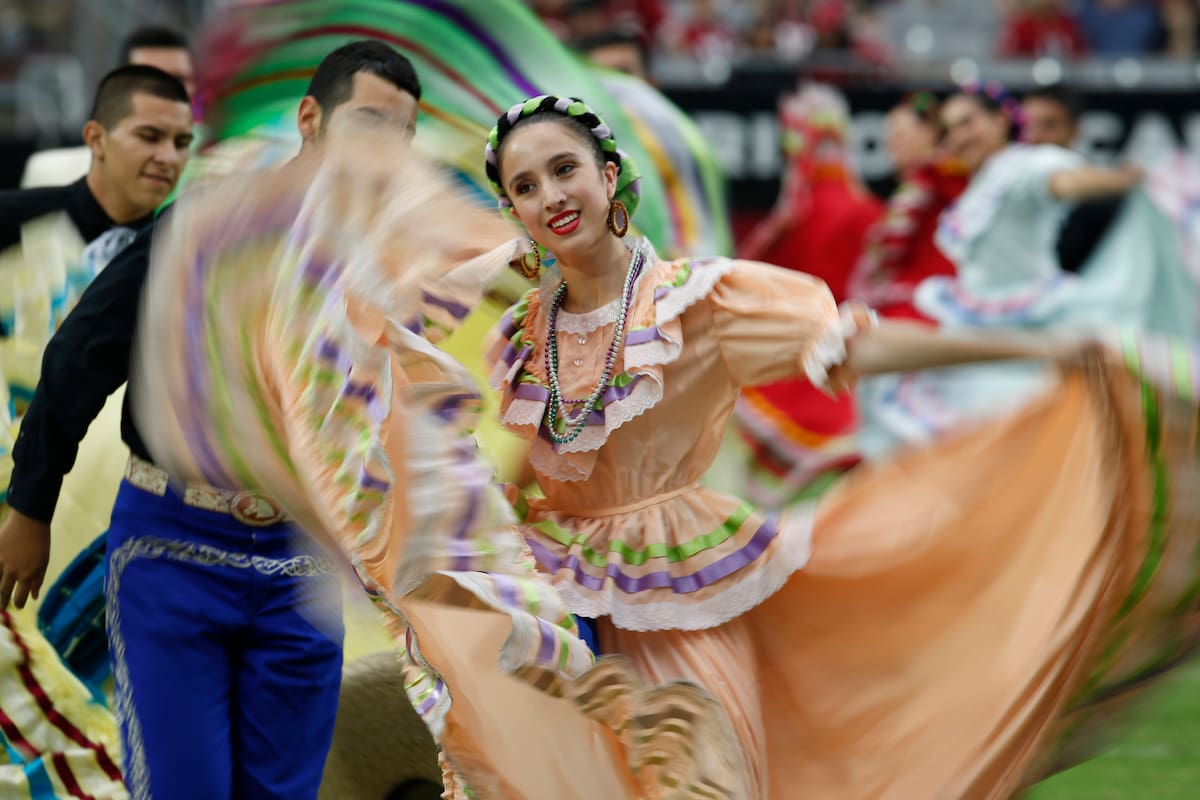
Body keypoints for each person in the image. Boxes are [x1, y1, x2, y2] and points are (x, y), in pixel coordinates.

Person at [0, 39, 422, 800]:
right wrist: (29, 505)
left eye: (400, 134)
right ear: (310, 119)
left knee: (286, 793)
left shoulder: (385, 262)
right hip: (176, 544)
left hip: (304, 560)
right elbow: (84, 351)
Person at [857, 80, 1194, 456]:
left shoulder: (1022, 167)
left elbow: (1062, 181)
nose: (961, 136)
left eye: (969, 122)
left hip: (1026, 328)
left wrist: (1120, 179)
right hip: (980, 331)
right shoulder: (976, 187)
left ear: (1000, 121)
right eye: (951, 129)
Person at [20, 26, 198, 190]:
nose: (166, 91)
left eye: (179, 79)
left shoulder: (219, 172)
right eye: (149, 77)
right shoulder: (55, 174)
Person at [848, 91, 965, 322]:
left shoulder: (944, 177)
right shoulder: (912, 188)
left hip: (932, 301)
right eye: (889, 134)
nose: (892, 142)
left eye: (901, 133)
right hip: (906, 298)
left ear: (930, 133)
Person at [1022, 83, 1129, 274]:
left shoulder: (1103, 202)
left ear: (1074, 130)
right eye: (1025, 125)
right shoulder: (996, 180)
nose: (1034, 136)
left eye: (1049, 125)